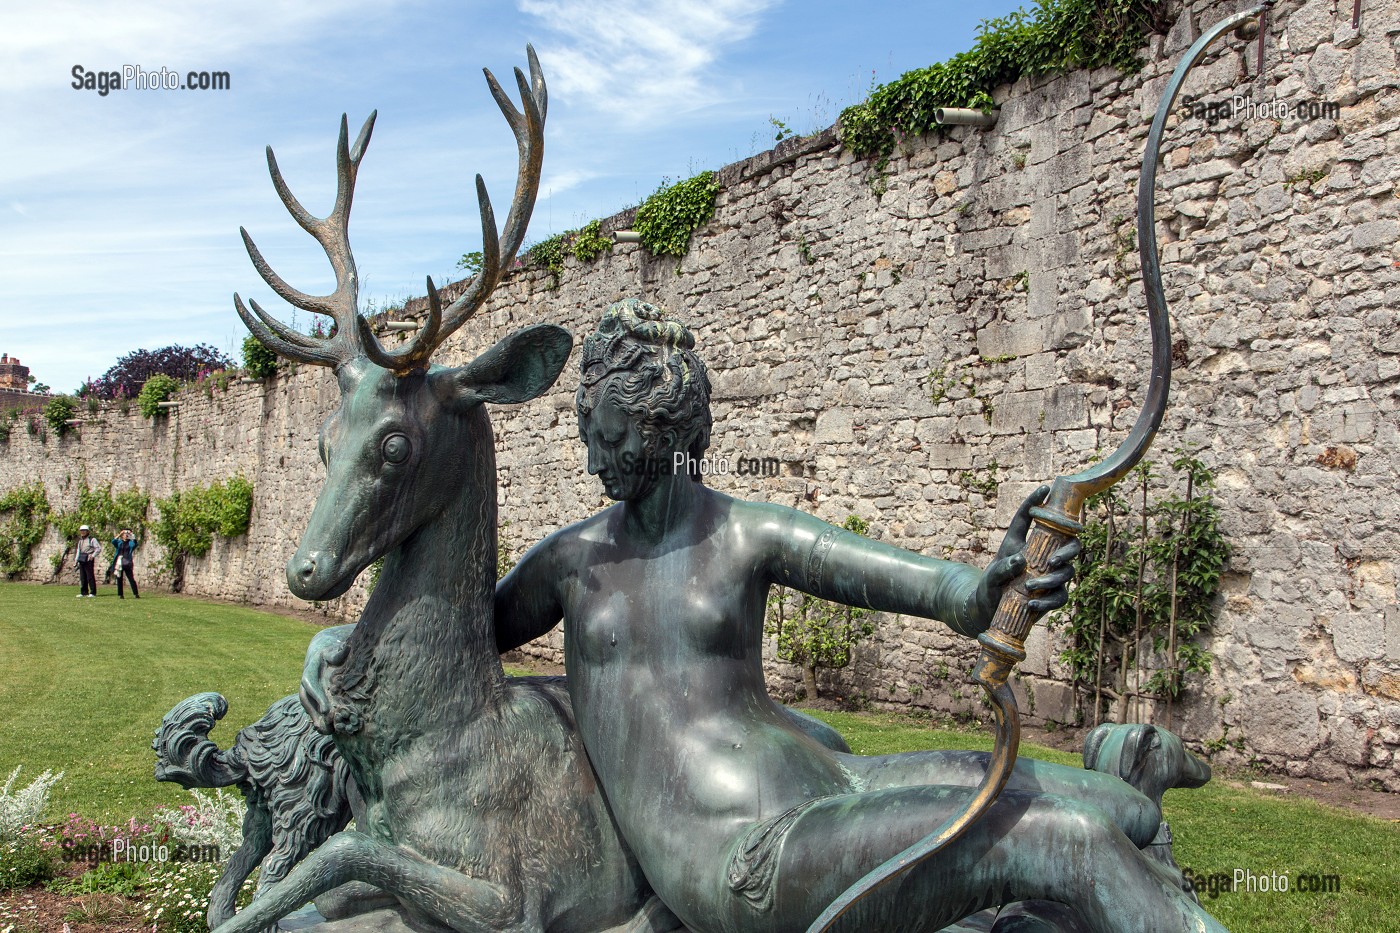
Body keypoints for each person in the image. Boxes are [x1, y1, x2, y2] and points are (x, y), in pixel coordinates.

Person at [494, 299, 1225, 933]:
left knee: (1125, 812)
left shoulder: (745, 532)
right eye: (590, 431)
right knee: (1070, 839)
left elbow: (897, 577)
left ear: (665, 427)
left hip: (836, 781)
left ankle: (1123, 779)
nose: (595, 459)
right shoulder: (570, 561)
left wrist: (986, 590)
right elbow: (458, 635)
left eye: (612, 435)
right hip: (746, 852)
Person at [110, 528, 140, 598]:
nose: (126, 535)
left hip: (127, 562)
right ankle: (120, 594)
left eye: (127, 534)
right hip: (119, 562)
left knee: (131, 578)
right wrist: (120, 534)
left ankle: (135, 593)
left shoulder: (130, 542)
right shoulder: (119, 542)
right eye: (124, 534)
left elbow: (135, 544)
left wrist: (132, 535)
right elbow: (113, 541)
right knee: (119, 578)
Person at [75, 525, 99, 597]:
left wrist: (93, 555)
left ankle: (92, 592)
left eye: (84, 530)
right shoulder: (80, 541)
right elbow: (78, 551)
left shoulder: (92, 539)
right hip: (82, 558)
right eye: (81, 531)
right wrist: (76, 560)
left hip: (88, 559)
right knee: (83, 576)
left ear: (88, 531)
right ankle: (84, 592)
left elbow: (98, 548)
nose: (82, 532)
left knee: (90, 576)